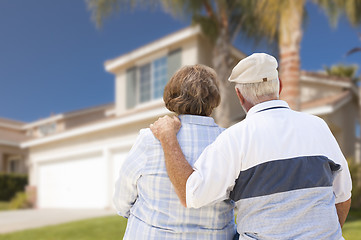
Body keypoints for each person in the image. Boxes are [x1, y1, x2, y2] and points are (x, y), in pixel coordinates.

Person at [150, 53, 352, 240]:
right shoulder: (318, 126)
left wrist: (168, 138)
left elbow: (191, 194)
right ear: (279, 85)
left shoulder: (235, 138)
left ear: (239, 95)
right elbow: (342, 196)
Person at [113, 64, 236, 239]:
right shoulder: (230, 141)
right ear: (214, 98)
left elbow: (124, 194)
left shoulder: (150, 138)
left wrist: (128, 212)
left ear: (173, 96)